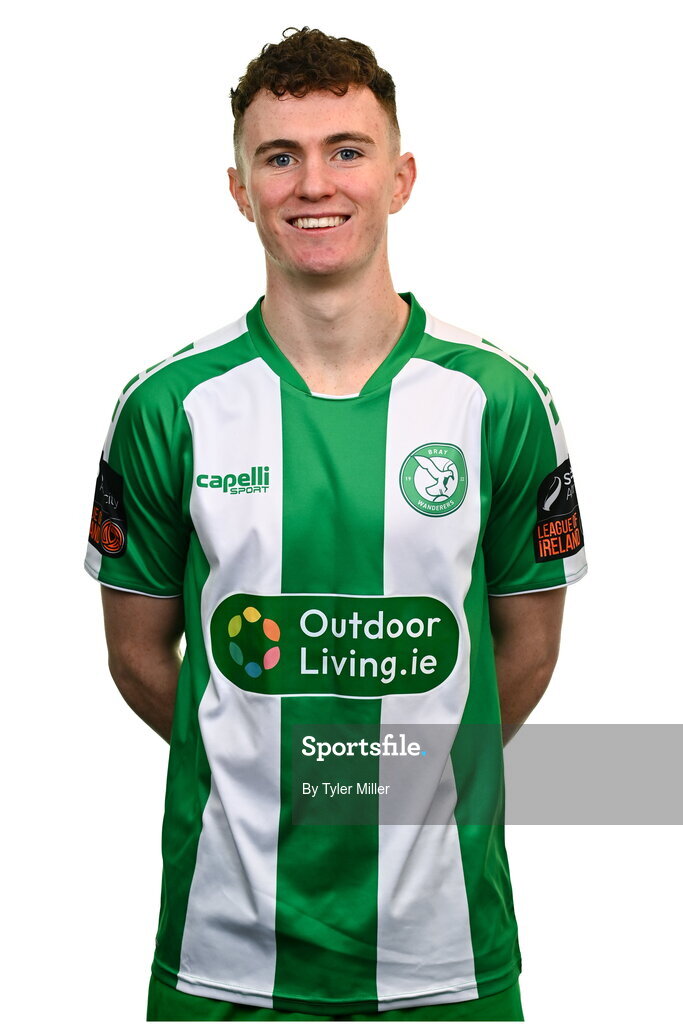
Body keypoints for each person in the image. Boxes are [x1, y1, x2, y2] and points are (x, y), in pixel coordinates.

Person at [85, 26, 587, 1023]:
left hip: (444, 951)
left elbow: (521, 650)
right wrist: (267, 768)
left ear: (399, 177)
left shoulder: (498, 400)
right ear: (238, 188)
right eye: (279, 156)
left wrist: (382, 774)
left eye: (345, 151)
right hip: (222, 951)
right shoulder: (164, 406)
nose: (313, 183)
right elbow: (141, 657)